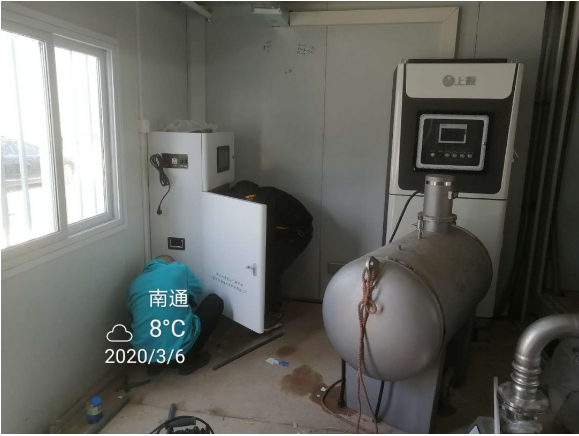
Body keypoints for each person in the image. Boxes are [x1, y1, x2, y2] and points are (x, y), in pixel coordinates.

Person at [229, 181, 313, 331]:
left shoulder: (263, 203)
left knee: (269, 268)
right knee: (259, 265)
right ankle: (258, 305)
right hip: (282, 230)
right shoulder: (254, 198)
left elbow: (266, 237)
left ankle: (274, 314)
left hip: (297, 234)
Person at [127, 255, 223, 375]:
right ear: (172, 263)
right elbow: (196, 294)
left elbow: (133, 316)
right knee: (214, 301)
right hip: (180, 355)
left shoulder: (135, 284)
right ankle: (189, 361)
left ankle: (153, 365)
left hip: (146, 357)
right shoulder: (179, 269)